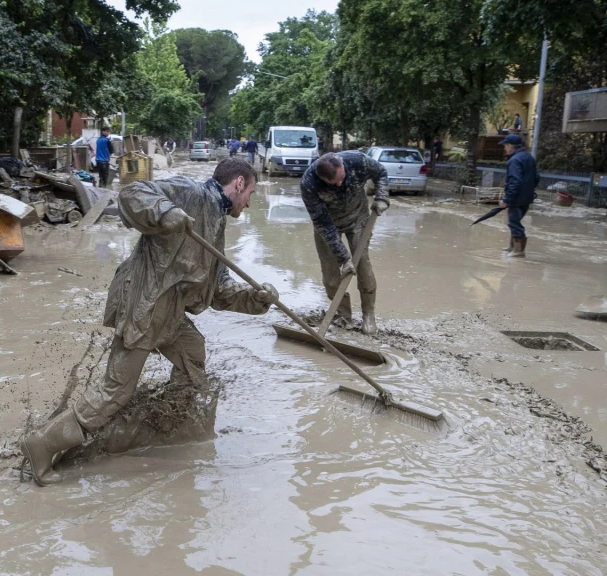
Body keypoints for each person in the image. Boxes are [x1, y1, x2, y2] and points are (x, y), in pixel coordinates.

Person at [20, 158, 278, 486]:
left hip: (168, 312)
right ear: (239, 183)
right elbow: (132, 193)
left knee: (192, 351)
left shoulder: (216, 219)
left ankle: (170, 424)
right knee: (116, 391)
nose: (250, 201)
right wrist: (164, 212)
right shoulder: (191, 192)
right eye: (251, 192)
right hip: (144, 305)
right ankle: (42, 444)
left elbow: (217, 289)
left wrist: (256, 299)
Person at [300, 151, 390, 335]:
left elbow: (380, 172)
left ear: (342, 165)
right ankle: (343, 316)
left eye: (342, 178)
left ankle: (368, 315)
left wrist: (381, 197)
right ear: (322, 178)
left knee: (363, 265)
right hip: (328, 224)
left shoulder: (358, 161)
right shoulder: (309, 184)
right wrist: (344, 259)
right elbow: (323, 225)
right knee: (331, 276)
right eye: (334, 183)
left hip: (358, 218)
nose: (340, 184)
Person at [498, 133, 538, 258]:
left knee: (514, 222)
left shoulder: (514, 160)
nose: (504, 148)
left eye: (505, 145)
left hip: (516, 197)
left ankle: (518, 250)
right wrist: (528, 190)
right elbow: (537, 177)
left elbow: (515, 181)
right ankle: (512, 247)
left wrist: (506, 198)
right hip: (527, 197)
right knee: (514, 221)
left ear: (510, 146)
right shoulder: (529, 157)